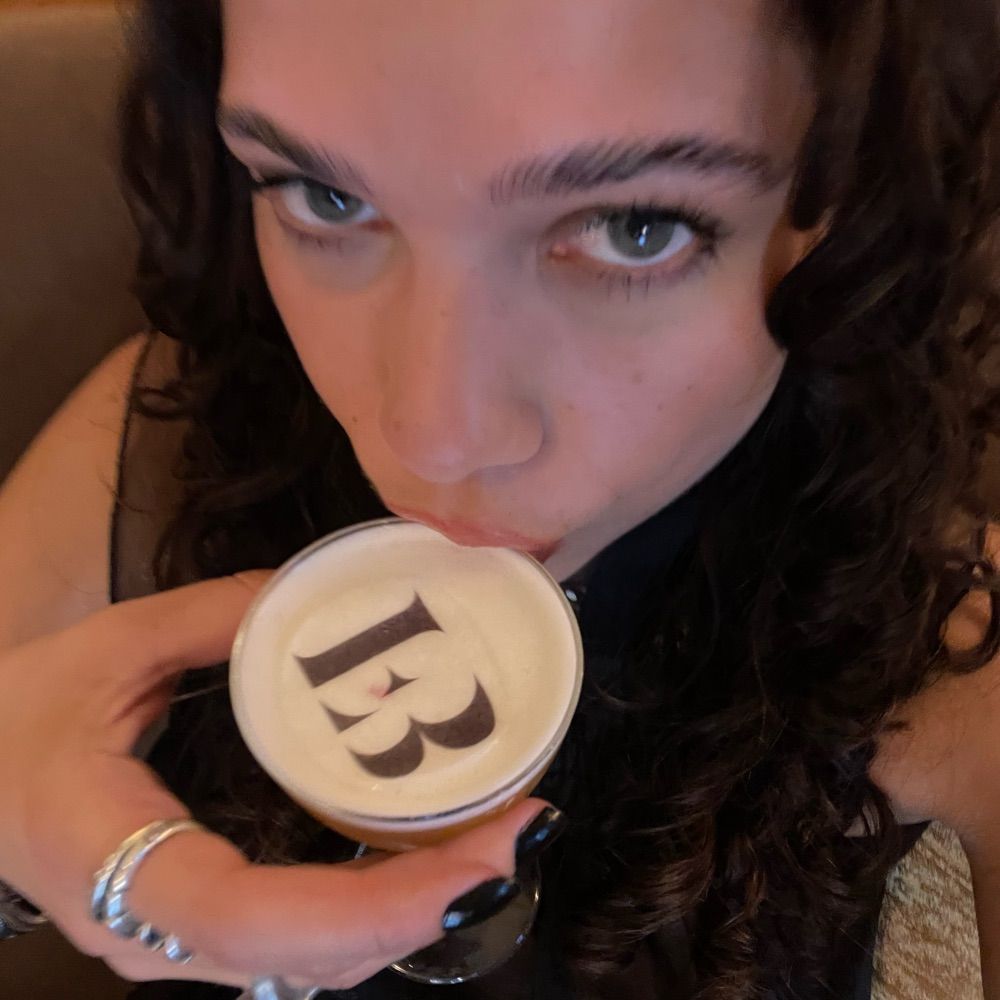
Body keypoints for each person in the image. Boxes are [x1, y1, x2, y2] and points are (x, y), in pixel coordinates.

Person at [0, 0, 998, 997]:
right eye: (322, 196)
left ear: (846, 204)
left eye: (634, 228)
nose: (432, 439)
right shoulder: (160, 452)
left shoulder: (947, 639)